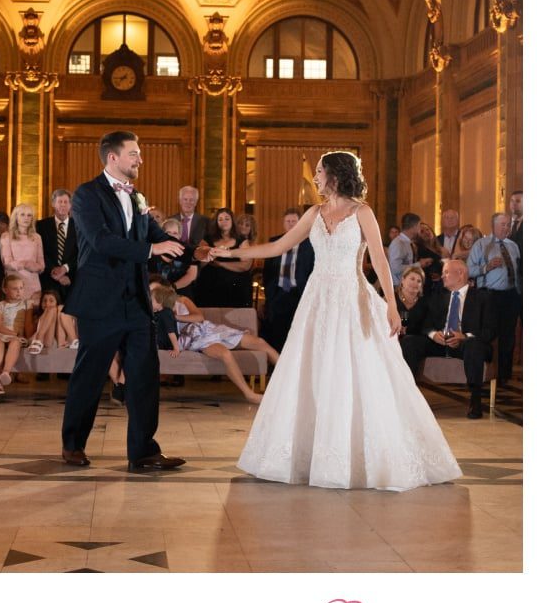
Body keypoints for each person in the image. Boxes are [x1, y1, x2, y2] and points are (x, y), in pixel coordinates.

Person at [211, 150, 461, 489]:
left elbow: (380, 261)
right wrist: (229, 252)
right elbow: (278, 246)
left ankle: (354, 456)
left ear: (336, 174)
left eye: (318, 172)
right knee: (311, 370)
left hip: (350, 297)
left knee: (351, 371)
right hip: (317, 300)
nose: (314, 178)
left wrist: (390, 303)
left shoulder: (363, 213)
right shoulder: (314, 212)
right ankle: (307, 454)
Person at [59, 131, 188, 472]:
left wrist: (192, 251)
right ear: (113, 157)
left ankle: (143, 452)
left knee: (145, 376)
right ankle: (73, 445)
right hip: (100, 301)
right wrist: (150, 250)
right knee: (90, 375)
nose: (140, 159)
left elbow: (155, 237)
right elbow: (101, 241)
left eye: (139, 153)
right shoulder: (87, 195)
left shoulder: (137, 197)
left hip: (136, 302)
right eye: (134, 153)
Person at [398, 257, 492, 419]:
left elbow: (490, 331)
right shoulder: (437, 296)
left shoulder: (482, 298)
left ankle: (475, 400)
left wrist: (464, 336)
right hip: (440, 343)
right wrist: (434, 335)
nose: (442, 276)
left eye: (447, 272)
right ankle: (408, 397)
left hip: (466, 344)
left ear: (461, 273)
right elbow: (426, 325)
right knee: (410, 341)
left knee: (474, 344)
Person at [160, 281, 278, 404]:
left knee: (260, 342)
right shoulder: (158, 310)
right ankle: (250, 395)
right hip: (196, 338)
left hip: (209, 329)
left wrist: (176, 317)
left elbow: (199, 317)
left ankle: (292, 378)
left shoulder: (183, 300)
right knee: (225, 353)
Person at [468, 211, 520, 385]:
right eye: (503, 224)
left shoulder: (513, 246)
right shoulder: (481, 245)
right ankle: (484, 373)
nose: (507, 228)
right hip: (489, 296)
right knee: (489, 334)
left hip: (511, 295)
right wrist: (487, 267)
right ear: (493, 226)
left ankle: (505, 375)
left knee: (508, 336)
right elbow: (469, 270)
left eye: (509, 224)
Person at [260, 208, 315, 352]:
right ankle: (276, 367)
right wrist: (269, 293)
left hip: (299, 293)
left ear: (299, 223)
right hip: (278, 293)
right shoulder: (274, 241)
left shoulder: (310, 244)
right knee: (276, 332)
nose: (291, 224)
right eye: (288, 221)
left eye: (294, 221)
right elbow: (268, 271)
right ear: (283, 223)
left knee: (297, 332)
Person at [193, 209, 255, 307]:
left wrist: (221, 264)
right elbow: (199, 263)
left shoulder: (241, 240)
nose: (224, 222)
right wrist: (213, 253)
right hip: (210, 287)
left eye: (227, 218)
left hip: (236, 290)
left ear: (232, 221)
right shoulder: (207, 239)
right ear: (216, 222)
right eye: (220, 219)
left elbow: (246, 265)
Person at [0, 273, 31, 396]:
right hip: (0, 333)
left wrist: (22, 336)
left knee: (15, 342)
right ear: (5, 290)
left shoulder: (27, 305)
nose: (19, 292)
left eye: (21, 288)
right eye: (15, 289)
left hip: (15, 337)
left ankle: (5, 372)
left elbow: (28, 325)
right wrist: (15, 333)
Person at [0, 203, 44, 297]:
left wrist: (34, 266)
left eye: (29, 215)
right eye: (22, 214)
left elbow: (41, 265)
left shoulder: (37, 237)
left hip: (33, 285)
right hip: (14, 284)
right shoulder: (6, 236)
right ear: (16, 217)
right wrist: (25, 264)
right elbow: (7, 263)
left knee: (32, 311)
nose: (26, 218)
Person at [29, 288, 75, 354]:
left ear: (57, 303)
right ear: (41, 304)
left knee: (61, 308)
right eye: (44, 301)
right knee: (52, 310)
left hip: (62, 342)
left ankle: (72, 341)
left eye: (51, 301)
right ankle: (38, 339)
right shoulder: (38, 317)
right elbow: (31, 337)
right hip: (47, 341)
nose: (47, 303)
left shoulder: (63, 312)